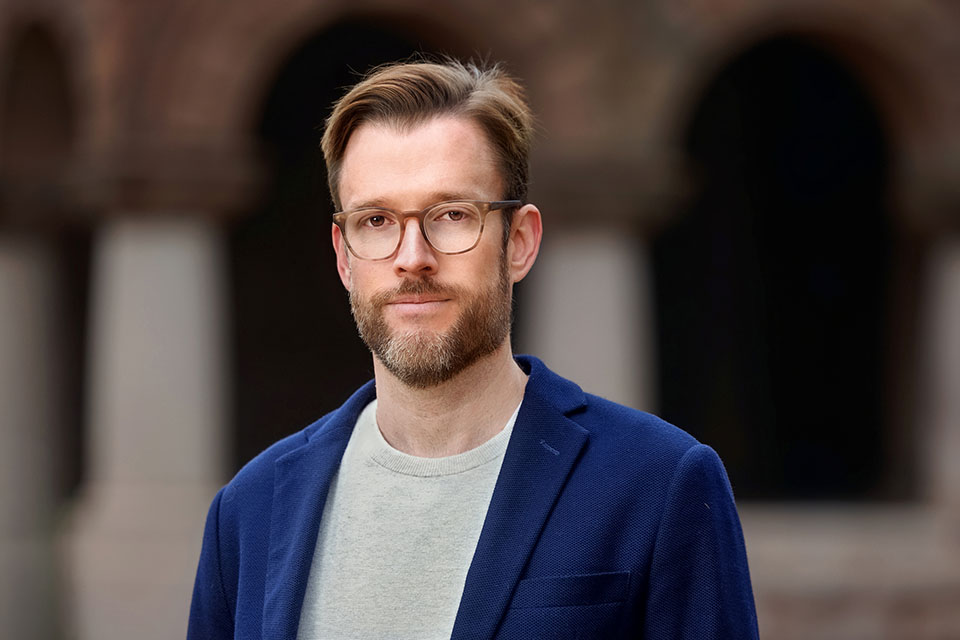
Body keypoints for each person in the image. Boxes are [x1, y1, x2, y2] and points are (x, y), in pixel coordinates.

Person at [187, 58, 759, 640]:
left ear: (520, 242)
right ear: (343, 255)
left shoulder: (659, 484)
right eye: (378, 220)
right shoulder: (248, 511)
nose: (412, 256)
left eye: (453, 215)